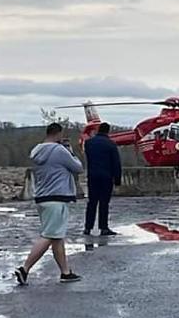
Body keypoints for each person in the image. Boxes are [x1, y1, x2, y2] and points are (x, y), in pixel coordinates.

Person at [14, 123, 84, 285]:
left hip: (43, 197)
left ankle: (65, 272)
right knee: (49, 236)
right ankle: (24, 269)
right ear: (58, 134)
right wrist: (70, 151)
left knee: (57, 237)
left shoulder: (37, 151)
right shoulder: (59, 151)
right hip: (57, 197)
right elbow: (78, 167)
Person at [84, 122, 122, 238]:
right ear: (108, 131)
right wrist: (117, 179)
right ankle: (103, 227)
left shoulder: (89, 143)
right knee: (104, 203)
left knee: (92, 202)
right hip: (106, 177)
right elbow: (116, 163)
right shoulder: (111, 144)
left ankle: (88, 227)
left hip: (92, 176)